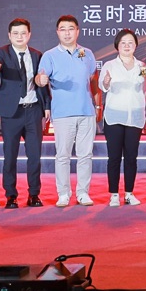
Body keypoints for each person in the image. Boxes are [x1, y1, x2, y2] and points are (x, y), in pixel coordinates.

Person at [36, 15, 99, 207]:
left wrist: (97, 105)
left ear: (77, 31)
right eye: (63, 29)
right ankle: (63, 193)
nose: (67, 33)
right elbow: (40, 78)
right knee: (63, 156)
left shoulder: (87, 53)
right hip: (63, 113)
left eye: (71, 29)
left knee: (85, 155)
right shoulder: (50, 55)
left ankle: (83, 193)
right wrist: (41, 80)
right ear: (57, 32)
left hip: (86, 111)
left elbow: (93, 79)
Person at [0, 17, 47, 208]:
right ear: (9, 35)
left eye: (23, 33)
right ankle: (11, 195)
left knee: (34, 156)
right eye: (15, 33)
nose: (19, 37)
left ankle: (34, 194)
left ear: (29, 35)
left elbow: (41, 83)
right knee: (10, 156)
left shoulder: (37, 55)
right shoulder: (1, 53)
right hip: (11, 112)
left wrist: (46, 107)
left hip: (33, 111)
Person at [99, 29, 146, 206]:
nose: (127, 46)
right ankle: (114, 194)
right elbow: (103, 86)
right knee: (114, 157)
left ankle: (129, 193)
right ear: (117, 46)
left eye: (130, 43)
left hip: (135, 117)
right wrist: (106, 82)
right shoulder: (109, 65)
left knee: (131, 157)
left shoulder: (142, 66)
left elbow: (145, 90)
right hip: (114, 117)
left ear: (135, 45)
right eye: (123, 43)